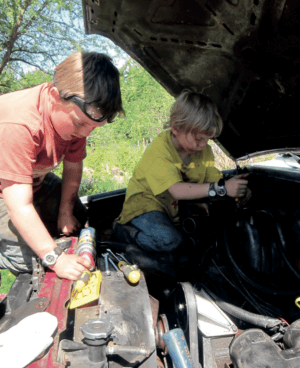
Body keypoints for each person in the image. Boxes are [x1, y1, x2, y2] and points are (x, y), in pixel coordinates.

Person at [0, 52, 124, 280]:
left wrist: (65, 213)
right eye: (80, 124)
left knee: (78, 218)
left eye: (93, 128)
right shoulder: (19, 125)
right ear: (55, 96)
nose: (85, 133)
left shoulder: (80, 117)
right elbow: (19, 206)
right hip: (6, 191)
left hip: (32, 179)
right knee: (33, 258)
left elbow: (73, 167)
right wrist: (54, 258)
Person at [113, 90, 250, 256]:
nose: (203, 145)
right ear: (176, 128)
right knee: (170, 240)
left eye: (207, 139)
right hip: (145, 206)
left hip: (173, 210)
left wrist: (236, 191)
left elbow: (213, 178)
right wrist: (222, 188)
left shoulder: (204, 152)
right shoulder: (159, 152)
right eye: (199, 138)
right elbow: (177, 190)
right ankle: (124, 233)